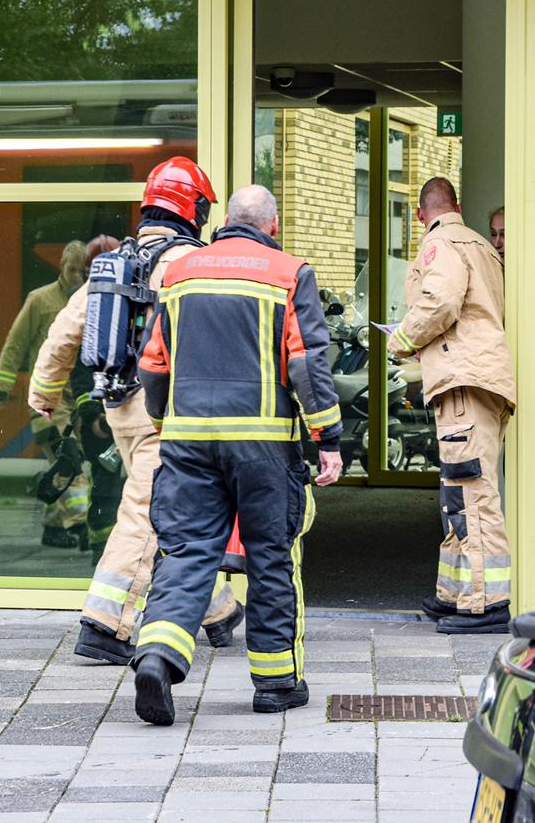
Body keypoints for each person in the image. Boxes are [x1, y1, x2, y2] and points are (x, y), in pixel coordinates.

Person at [130, 185, 343, 725]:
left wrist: (163, 422)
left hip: (188, 441)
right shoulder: (289, 272)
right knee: (270, 555)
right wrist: (328, 439)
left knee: (187, 551)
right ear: (272, 227)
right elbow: (307, 365)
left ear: (225, 221)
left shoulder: (180, 273)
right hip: (263, 445)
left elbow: (153, 365)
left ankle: (157, 654)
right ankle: (276, 683)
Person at [28, 160, 243, 664]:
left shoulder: (117, 263)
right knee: (147, 514)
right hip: (165, 412)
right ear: (196, 208)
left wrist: (43, 391)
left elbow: (64, 330)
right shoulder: (192, 263)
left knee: (178, 512)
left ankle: (216, 608)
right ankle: (107, 622)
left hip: (120, 407)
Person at [388, 178, 515, 634]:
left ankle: (486, 603)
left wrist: (401, 340)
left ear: (422, 215)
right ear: (457, 206)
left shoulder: (440, 243)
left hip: (463, 381)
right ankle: (455, 593)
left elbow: (439, 301)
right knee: (457, 494)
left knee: (473, 494)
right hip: (481, 379)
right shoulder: (481, 245)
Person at [0, 240, 90, 547]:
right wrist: (1, 385)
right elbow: (16, 343)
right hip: (49, 399)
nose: (76, 276)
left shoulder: (90, 300)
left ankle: (54, 528)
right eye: (71, 269)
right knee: (69, 462)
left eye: (81, 270)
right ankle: (79, 523)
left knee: (64, 463)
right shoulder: (40, 300)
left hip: (79, 397)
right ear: (61, 266)